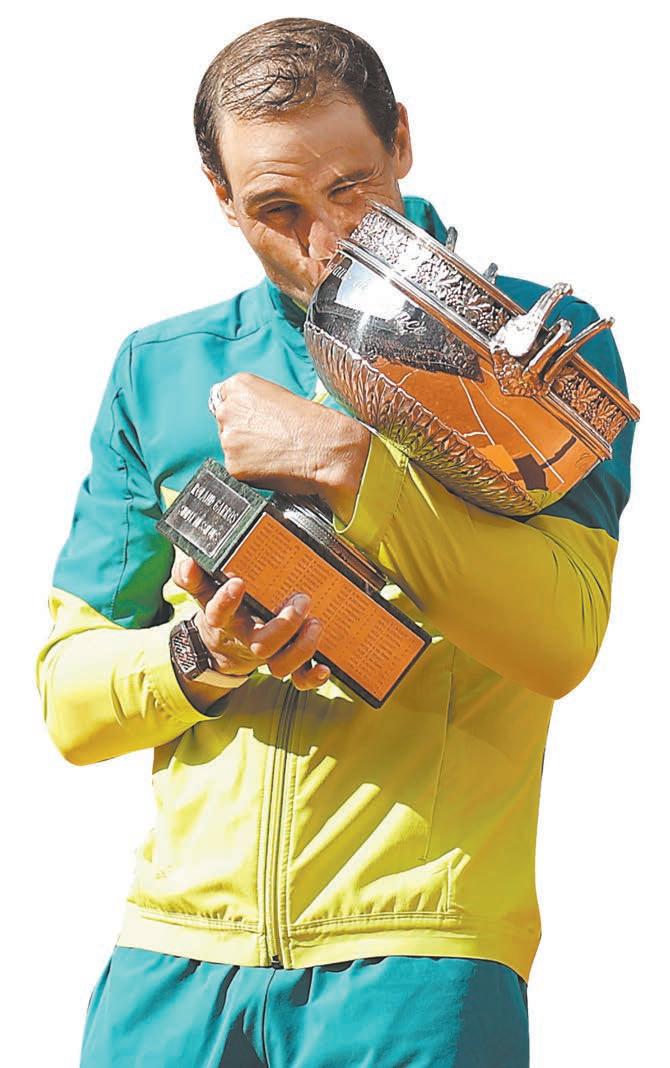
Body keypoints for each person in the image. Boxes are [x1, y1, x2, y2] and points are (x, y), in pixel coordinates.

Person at [35, 16, 636, 1068]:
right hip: (168, 964)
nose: (323, 245)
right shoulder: (158, 367)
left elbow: (562, 640)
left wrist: (351, 467)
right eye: (277, 208)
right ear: (220, 196)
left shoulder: (540, 353)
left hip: (419, 965)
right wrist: (202, 655)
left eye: (351, 188)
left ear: (401, 138)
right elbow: (70, 703)